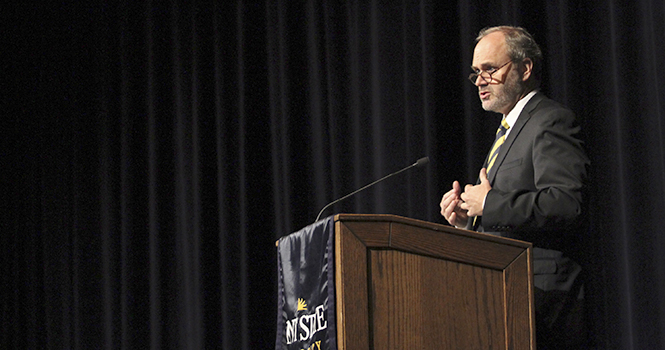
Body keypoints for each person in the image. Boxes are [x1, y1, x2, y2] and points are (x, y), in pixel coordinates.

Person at [440, 26, 590, 349]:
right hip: (502, 295)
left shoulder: (550, 120)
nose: (480, 80)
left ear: (525, 68)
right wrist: (470, 220)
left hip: (543, 300)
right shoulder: (507, 130)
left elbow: (566, 203)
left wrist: (490, 203)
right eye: (476, 73)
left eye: (490, 69)